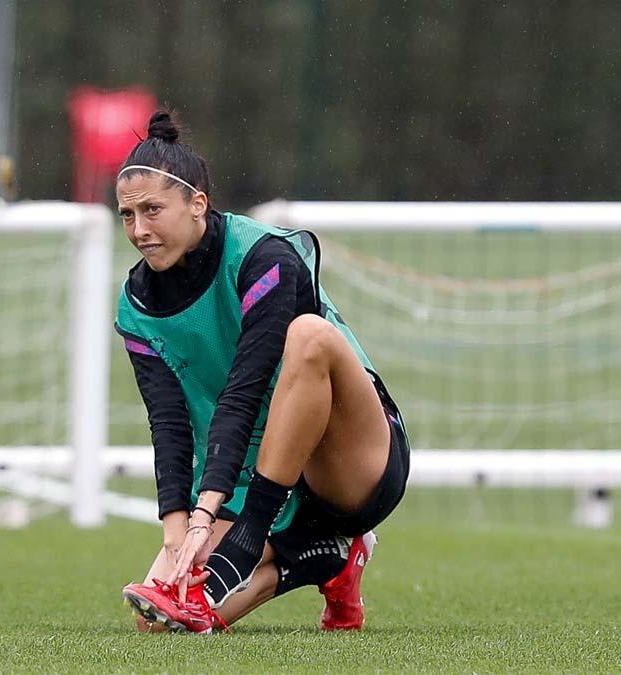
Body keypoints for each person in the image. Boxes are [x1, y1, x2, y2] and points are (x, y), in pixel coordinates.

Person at [116, 110, 410, 633]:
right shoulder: (135, 304)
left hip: (350, 463)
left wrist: (212, 516)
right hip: (257, 469)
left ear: (197, 204)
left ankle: (258, 539)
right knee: (159, 625)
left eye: (153, 210)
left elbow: (246, 389)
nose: (139, 230)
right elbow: (169, 424)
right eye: (127, 216)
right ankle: (326, 558)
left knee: (310, 335)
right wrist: (177, 529)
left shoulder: (264, 258)